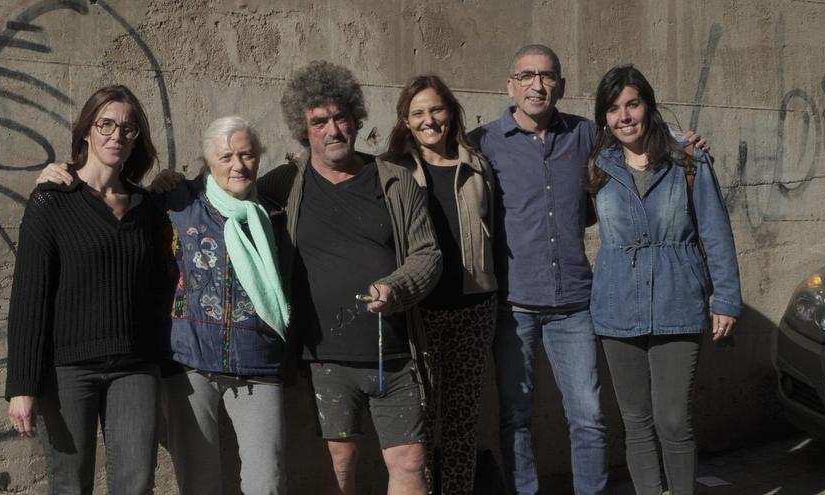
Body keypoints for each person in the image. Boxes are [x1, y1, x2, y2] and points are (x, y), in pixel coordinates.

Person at [471, 44, 708, 495]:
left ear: (559, 85)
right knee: (515, 417)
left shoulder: (585, 137)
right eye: (526, 76)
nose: (537, 85)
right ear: (510, 85)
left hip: (575, 305)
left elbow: (641, 144)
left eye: (547, 75)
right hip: (513, 306)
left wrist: (685, 141)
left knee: (589, 417)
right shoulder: (483, 143)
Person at [34, 116, 290, 495]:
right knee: (199, 483)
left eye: (247, 155)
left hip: (258, 361)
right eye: (226, 157)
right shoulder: (177, 202)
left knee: (267, 482)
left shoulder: (273, 214)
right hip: (189, 363)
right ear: (208, 161)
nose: (238, 165)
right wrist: (52, 177)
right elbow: (118, 205)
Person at [257, 60, 441, 495]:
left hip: (395, 353)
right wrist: (172, 186)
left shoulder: (395, 181)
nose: (332, 129)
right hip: (325, 358)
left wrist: (396, 288)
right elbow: (227, 189)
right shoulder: (286, 183)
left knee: (411, 461)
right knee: (340, 466)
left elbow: (428, 254)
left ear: (355, 120)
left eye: (340, 117)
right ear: (305, 131)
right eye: (319, 121)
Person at [5, 85, 168, 494]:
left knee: (136, 484)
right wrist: (22, 386)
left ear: (137, 140)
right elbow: (29, 298)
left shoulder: (148, 207)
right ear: (86, 132)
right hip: (67, 371)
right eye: (107, 124)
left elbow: (159, 290)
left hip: (135, 367)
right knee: (70, 485)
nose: (117, 135)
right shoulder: (52, 200)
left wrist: (175, 182)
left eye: (128, 129)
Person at [587, 65, 741, 495]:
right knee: (636, 423)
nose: (624, 117)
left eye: (632, 104)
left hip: (678, 302)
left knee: (673, 419)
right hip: (617, 307)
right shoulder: (598, 167)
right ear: (604, 118)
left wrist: (726, 299)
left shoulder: (687, 159)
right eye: (613, 109)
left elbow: (715, 231)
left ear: (648, 106)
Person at [381, 75, 497, 495]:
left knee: (463, 422)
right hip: (420, 312)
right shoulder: (391, 169)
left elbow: (495, 233)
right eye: (418, 113)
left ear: (451, 113)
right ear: (406, 122)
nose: (429, 120)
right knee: (420, 422)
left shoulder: (477, 165)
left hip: (474, 309)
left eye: (436, 109)